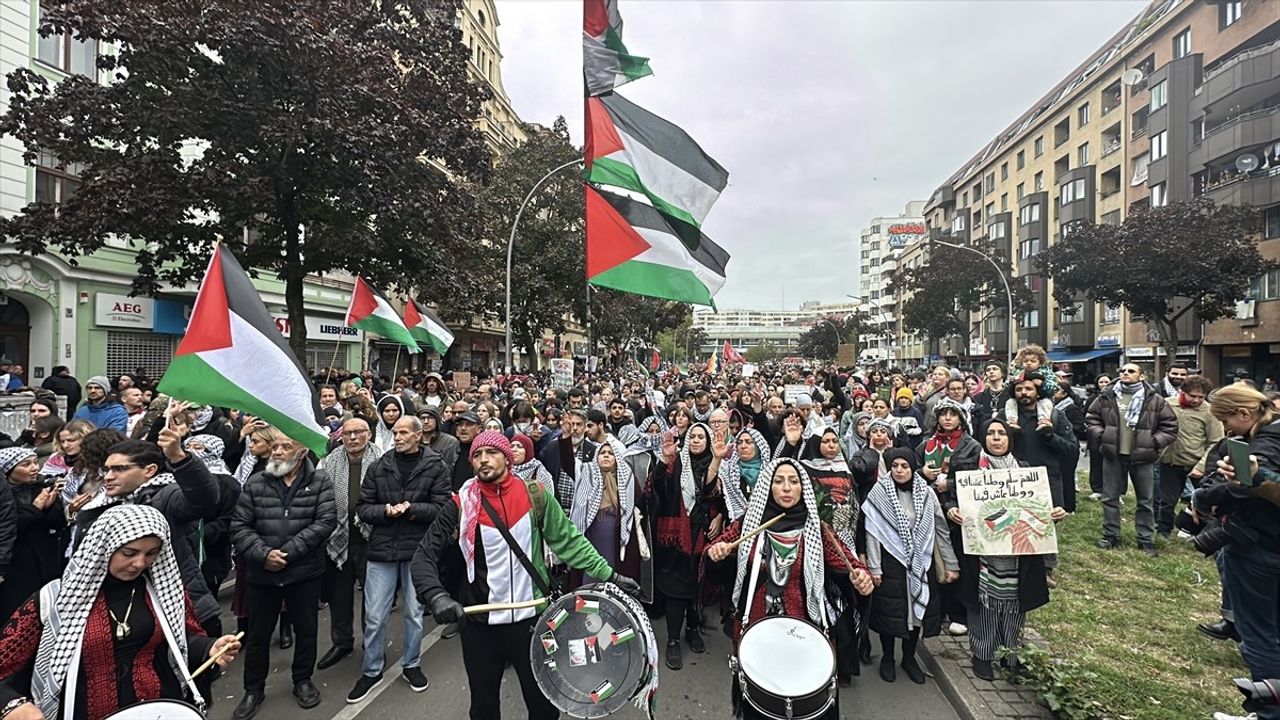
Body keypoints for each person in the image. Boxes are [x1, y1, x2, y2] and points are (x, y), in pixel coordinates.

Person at [411, 431, 637, 720]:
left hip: (532, 623)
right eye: (477, 455)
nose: (483, 460)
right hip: (481, 623)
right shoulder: (460, 504)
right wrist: (436, 596)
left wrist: (610, 576)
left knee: (543, 706)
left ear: (507, 458)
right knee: (483, 707)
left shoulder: (535, 495)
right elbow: (423, 555)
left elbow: (569, 541)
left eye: (491, 453)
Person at [0, 504, 242, 720]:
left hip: (159, 709)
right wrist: (12, 704)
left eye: (151, 553)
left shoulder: (162, 591)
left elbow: (179, 640)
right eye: (129, 553)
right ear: (104, 547)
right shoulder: (55, 599)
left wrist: (209, 647)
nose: (139, 563)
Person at [706, 458, 874, 720]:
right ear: (768, 487)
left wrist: (862, 579)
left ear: (802, 488)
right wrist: (716, 552)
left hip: (803, 635)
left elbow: (851, 566)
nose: (786, 488)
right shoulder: (748, 524)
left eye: (793, 482)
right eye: (779, 481)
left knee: (802, 704)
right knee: (760, 704)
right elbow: (716, 548)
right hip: (756, 632)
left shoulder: (818, 530)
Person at [230, 434, 337, 720]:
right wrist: (263, 554)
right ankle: (253, 689)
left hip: (304, 574)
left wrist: (288, 553)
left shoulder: (319, 482)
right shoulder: (256, 483)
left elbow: (325, 521)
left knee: (306, 631)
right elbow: (240, 526)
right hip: (262, 575)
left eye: (285, 447)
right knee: (257, 636)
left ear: (301, 452)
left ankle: (302, 680)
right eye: (274, 446)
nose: (276, 452)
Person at [348, 416, 449, 703]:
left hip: (418, 551)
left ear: (419, 435)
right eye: (395, 432)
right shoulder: (380, 466)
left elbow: (442, 507)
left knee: (414, 614)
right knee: (375, 615)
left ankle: (412, 664)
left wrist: (412, 508)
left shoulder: (435, 465)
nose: (398, 437)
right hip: (382, 549)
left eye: (404, 432)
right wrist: (385, 512)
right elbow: (363, 507)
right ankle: (371, 670)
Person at [1196, 385, 1280, 720]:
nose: (1226, 429)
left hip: (1260, 549)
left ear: (1245, 414)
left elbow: (1241, 492)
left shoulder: (1264, 447)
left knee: (1259, 636)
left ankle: (1267, 713)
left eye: (1227, 420)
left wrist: (1203, 498)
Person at [959, 418, 1064, 681]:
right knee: (984, 605)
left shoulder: (1025, 470)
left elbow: (1037, 506)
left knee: (1015, 604)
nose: (996, 438)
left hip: (1019, 554)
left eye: (1002, 433)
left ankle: (1012, 656)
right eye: (991, 433)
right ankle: (982, 655)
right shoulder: (971, 470)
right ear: (983, 437)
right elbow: (954, 498)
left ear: (1010, 439)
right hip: (984, 554)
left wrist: (1050, 515)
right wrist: (952, 508)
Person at [862, 447, 959, 684]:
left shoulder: (926, 493)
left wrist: (950, 563)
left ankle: (908, 657)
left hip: (920, 562)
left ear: (913, 467)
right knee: (891, 613)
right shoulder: (879, 492)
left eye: (904, 466)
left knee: (917, 613)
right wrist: (874, 568)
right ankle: (887, 657)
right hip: (890, 562)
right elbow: (872, 533)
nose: (899, 471)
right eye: (894, 466)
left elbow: (940, 531)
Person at [650, 422, 721, 670]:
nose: (697, 441)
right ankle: (672, 640)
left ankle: (692, 629)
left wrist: (719, 516)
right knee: (675, 589)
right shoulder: (676, 462)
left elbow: (715, 495)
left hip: (702, 535)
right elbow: (657, 486)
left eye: (702, 437)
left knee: (696, 585)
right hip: (674, 538)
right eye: (693, 436)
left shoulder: (715, 463)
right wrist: (663, 459)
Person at [1086, 363, 1178, 554]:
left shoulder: (1154, 399)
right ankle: (1111, 535)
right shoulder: (1108, 395)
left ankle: (1145, 539)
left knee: (1145, 500)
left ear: (1142, 376)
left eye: (1131, 371)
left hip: (1143, 457)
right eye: (1122, 371)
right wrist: (1103, 435)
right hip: (1113, 455)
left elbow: (1170, 425)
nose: (1125, 373)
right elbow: (1091, 418)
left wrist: (1154, 442)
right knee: (1110, 497)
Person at [317, 416, 381, 671]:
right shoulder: (328, 463)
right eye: (348, 433)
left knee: (373, 599)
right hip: (337, 540)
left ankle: (372, 645)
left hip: (372, 540)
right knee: (339, 597)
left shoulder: (382, 460)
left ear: (369, 434)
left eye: (359, 432)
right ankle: (341, 642)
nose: (353, 438)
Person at [569, 437, 646, 587]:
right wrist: (566, 438)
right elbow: (567, 464)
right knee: (589, 584)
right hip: (591, 542)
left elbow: (641, 504)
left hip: (618, 546)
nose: (606, 455)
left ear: (617, 458)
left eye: (610, 453)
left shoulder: (627, 479)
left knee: (614, 587)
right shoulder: (586, 474)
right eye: (602, 452)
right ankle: (586, 610)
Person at [0, 447, 62, 621]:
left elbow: (57, 522)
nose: (34, 468)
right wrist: (35, 509)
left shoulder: (43, 487)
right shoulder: (5, 495)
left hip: (44, 558)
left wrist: (50, 508)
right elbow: (11, 526)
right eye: (26, 465)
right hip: (15, 562)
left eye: (35, 462)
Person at [1157, 375, 1222, 537]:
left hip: (1196, 462)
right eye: (1193, 396)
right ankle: (1163, 531)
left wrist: (1202, 465)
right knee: (1167, 501)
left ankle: (1202, 533)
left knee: (1205, 502)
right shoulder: (1167, 405)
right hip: (1170, 461)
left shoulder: (1209, 412)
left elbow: (1216, 441)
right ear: (1182, 392)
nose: (1197, 400)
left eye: (1201, 397)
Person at [1003, 346, 1058, 431]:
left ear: (1040, 363)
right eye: (1025, 361)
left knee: (1046, 403)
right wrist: (1013, 382)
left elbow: (1054, 386)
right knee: (1010, 403)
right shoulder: (1017, 372)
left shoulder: (1046, 372)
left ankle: (1043, 422)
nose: (1029, 363)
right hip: (1019, 401)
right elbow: (1006, 385)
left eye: (1033, 361)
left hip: (1042, 397)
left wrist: (1042, 384)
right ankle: (1012, 421)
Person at [417, 406, 459, 472]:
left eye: (430, 418)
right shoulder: (413, 441)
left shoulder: (449, 442)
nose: (426, 421)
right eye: (422, 418)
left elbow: (449, 468)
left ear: (437, 420)